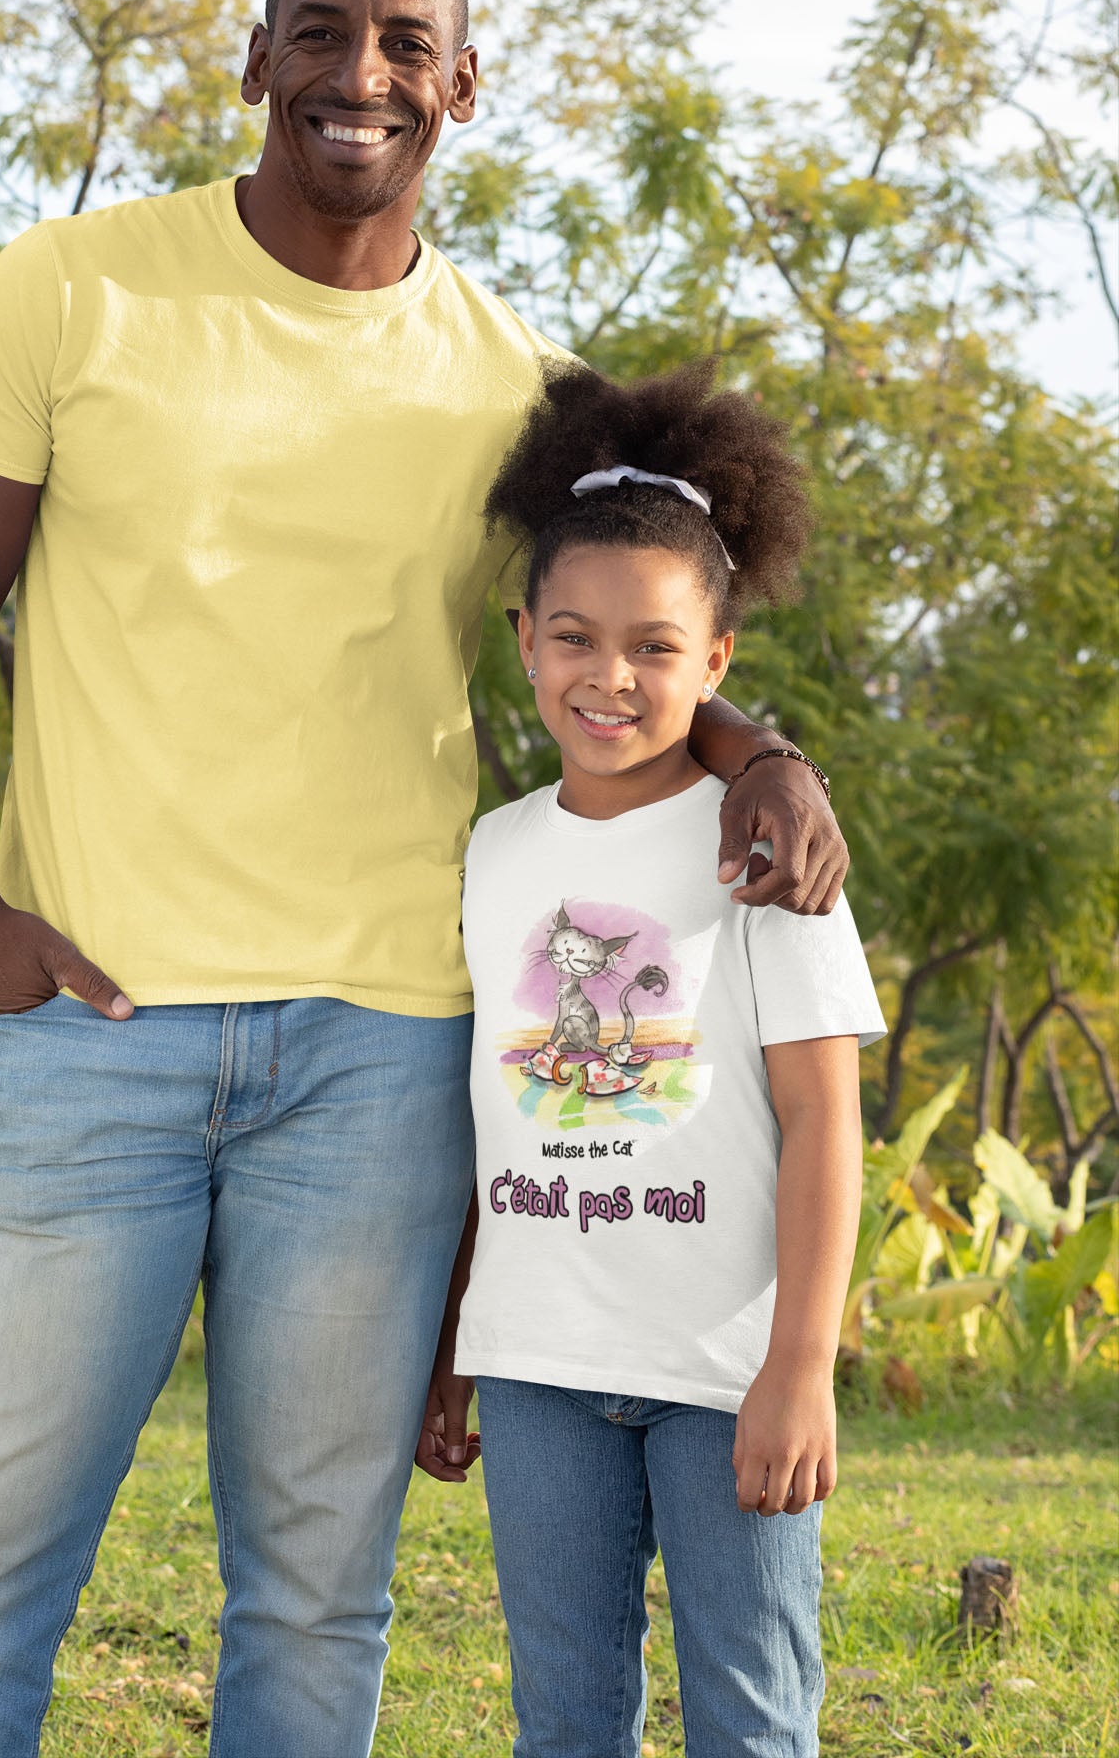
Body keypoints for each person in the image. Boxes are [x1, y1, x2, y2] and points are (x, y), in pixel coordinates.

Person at [0, 0, 849, 1758]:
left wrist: (754, 745)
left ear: (463, 88)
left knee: (318, 1596)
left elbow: (617, 625)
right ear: (257, 61)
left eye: (408, 47)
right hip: (88, 1033)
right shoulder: (72, 291)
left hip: (379, 1062)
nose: (361, 78)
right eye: (320, 36)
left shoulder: (510, 383)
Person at [423, 360, 884, 1758]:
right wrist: (458, 1345)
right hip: (542, 1364)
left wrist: (798, 1366)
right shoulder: (495, 851)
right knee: (562, 1720)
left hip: (723, 1372)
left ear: (719, 660)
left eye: (655, 647)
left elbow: (824, 1123)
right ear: (522, 640)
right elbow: (490, 1118)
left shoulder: (768, 846)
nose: (609, 676)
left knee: (749, 1718)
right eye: (574, 637)